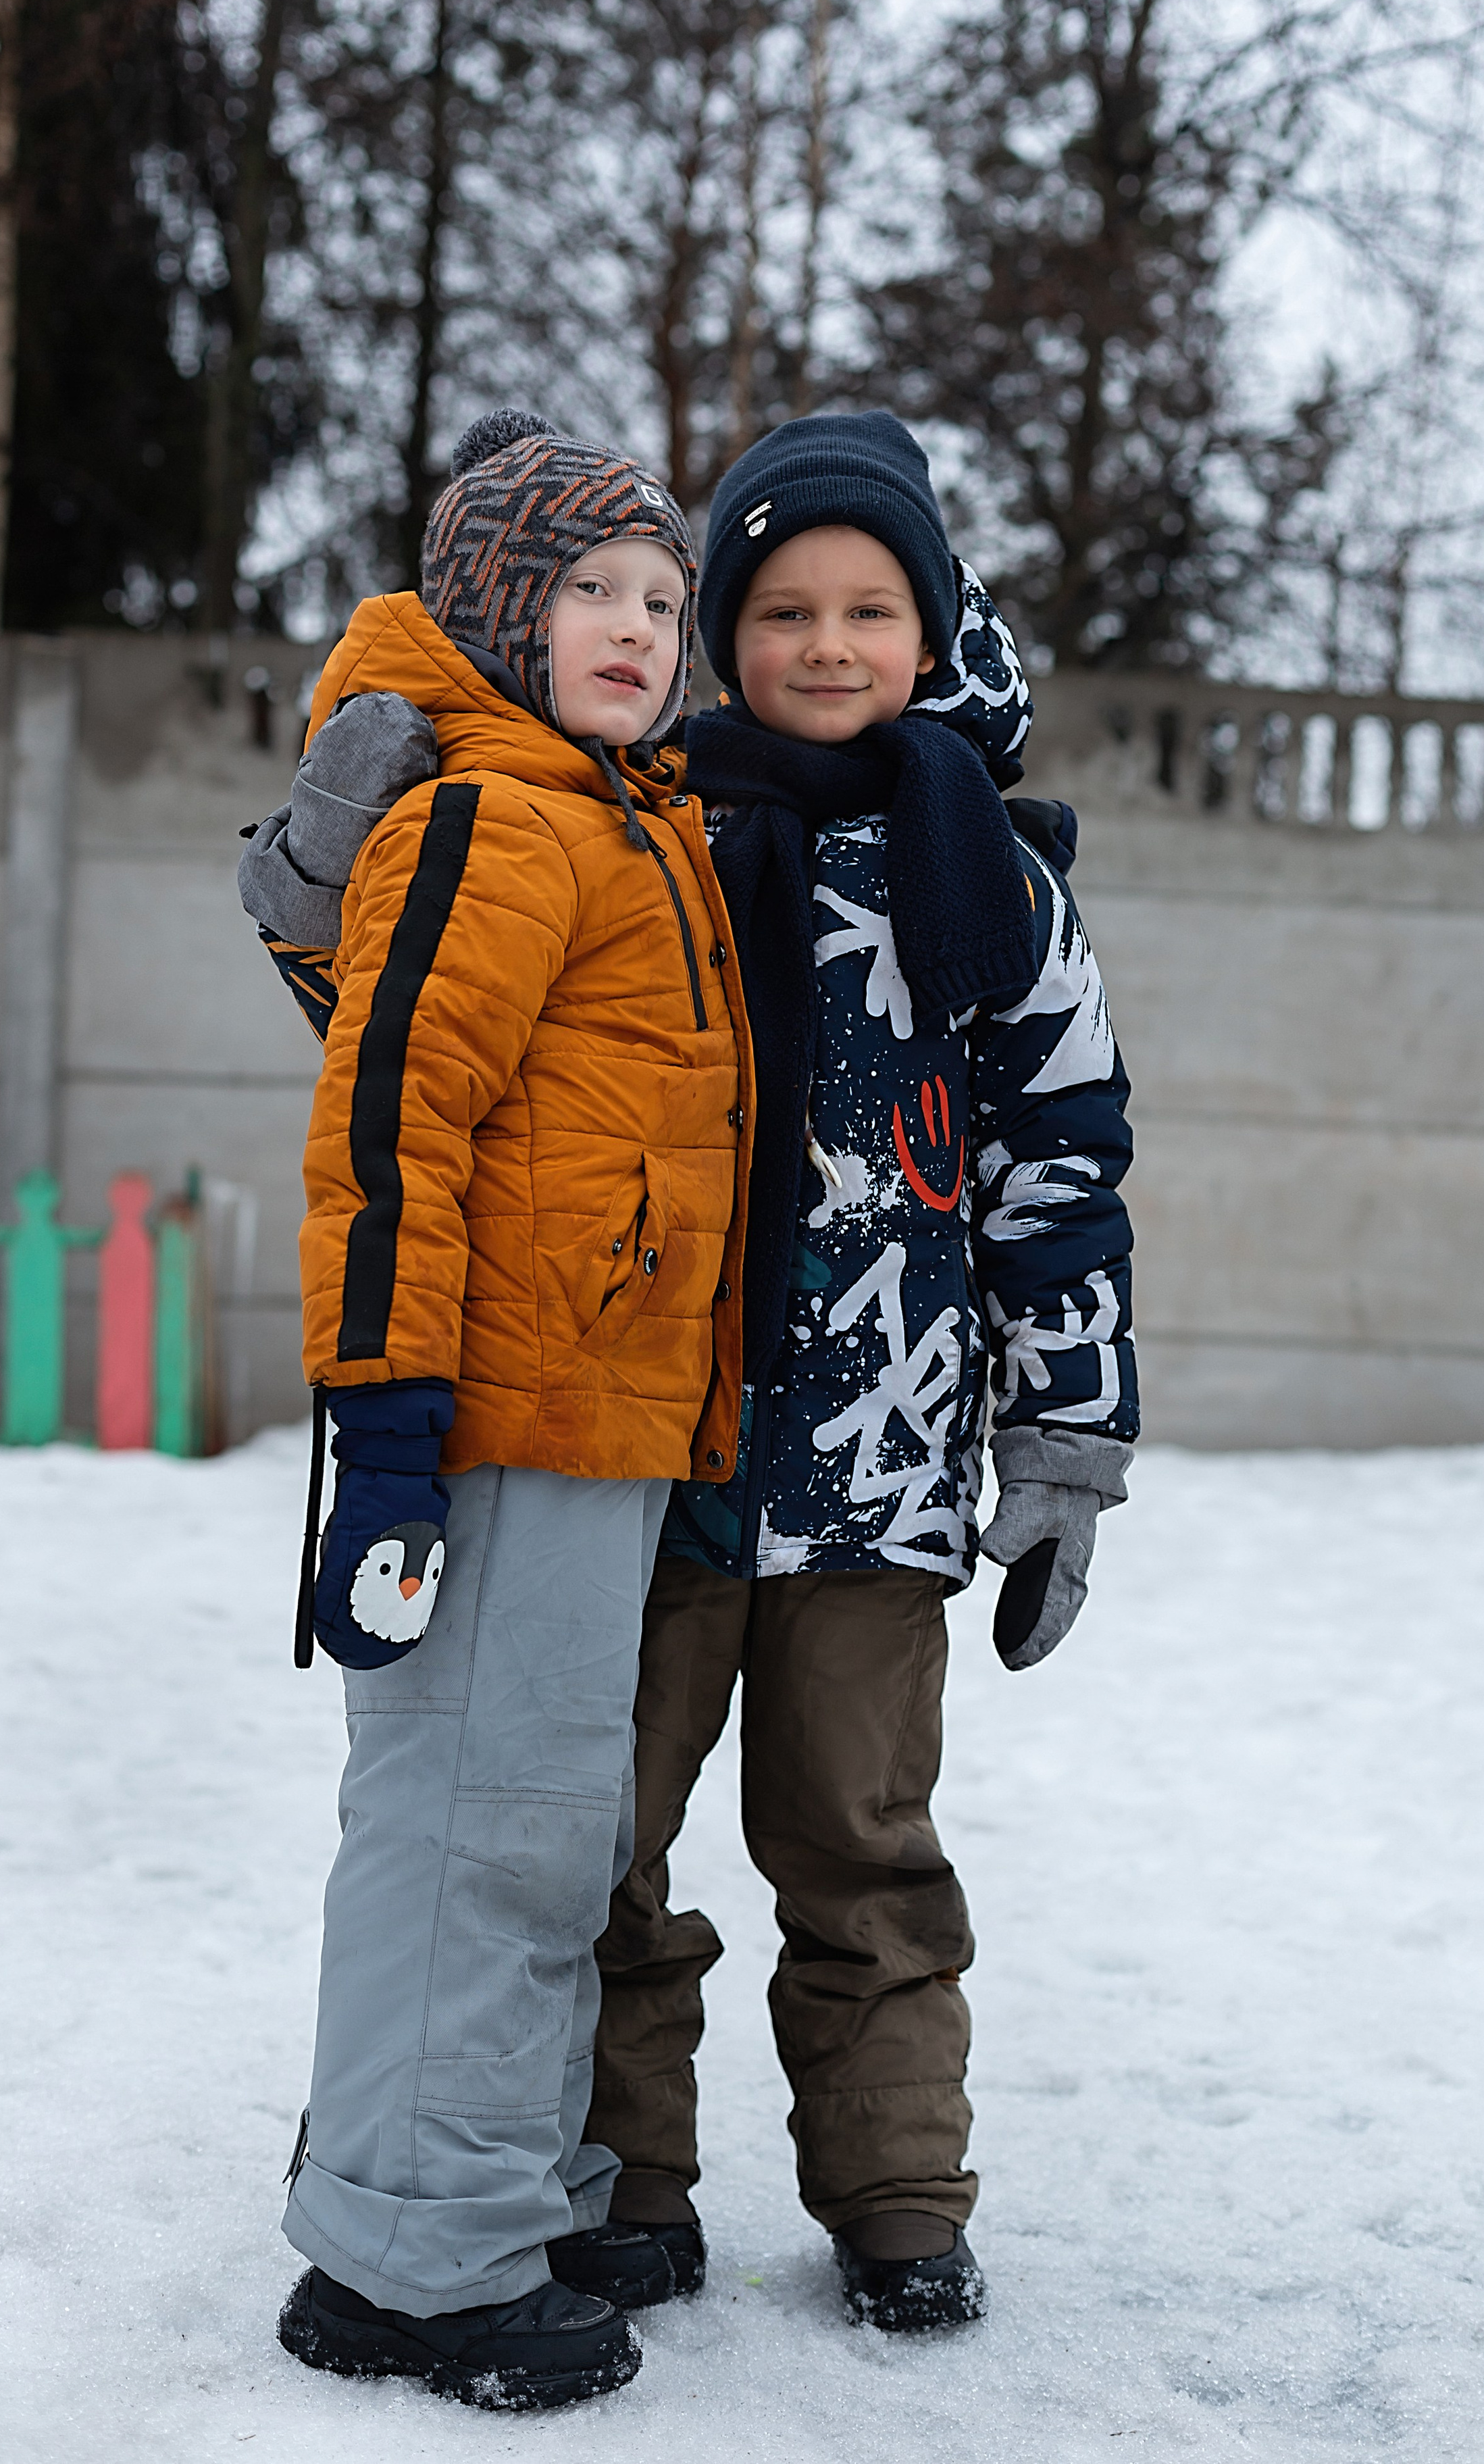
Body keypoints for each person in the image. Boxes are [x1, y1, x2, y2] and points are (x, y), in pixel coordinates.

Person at [584, 411, 1138, 2332]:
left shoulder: (997, 884)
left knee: (863, 1846)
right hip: (644, 1457)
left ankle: (899, 2187)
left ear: (933, 627)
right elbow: (436, 1003)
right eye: (786, 609)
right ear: (724, 632)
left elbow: (1060, 1169)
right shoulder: (632, 837)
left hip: (883, 1472)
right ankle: (622, 2175)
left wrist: (1066, 1432)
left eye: (870, 608)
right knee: (604, 1841)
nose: (828, 645)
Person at [242, 409, 752, 2412]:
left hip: (601, 1415)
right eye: (588, 592)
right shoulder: (496, 821)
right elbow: (388, 1123)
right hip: (487, 1418)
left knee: (536, 1830)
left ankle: (476, 2182)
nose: (635, 625)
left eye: (660, 596)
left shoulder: (627, 816)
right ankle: (405, 2261)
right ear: (492, 611)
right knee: (474, 1826)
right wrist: (385, 1427)